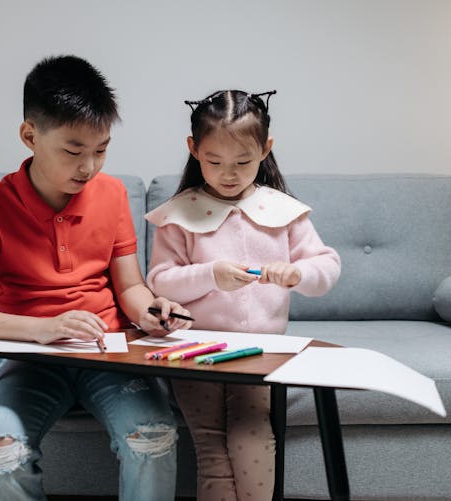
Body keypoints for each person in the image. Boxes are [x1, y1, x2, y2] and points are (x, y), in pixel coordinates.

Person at [0, 55, 191, 501]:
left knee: (153, 437)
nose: (89, 167)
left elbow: (130, 287)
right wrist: (44, 329)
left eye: (101, 150)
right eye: (73, 151)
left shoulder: (114, 194)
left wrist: (151, 311)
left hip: (108, 354)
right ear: (30, 136)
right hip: (30, 357)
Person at [145, 89, 341, 500]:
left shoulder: (283, 211)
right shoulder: (179, 214)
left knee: (252, 439)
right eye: (215, 162)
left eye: (243, 162)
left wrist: (296, 273)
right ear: (194, 150)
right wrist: (211, 275)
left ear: (266, 150)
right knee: (211, 446)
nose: (228, 174)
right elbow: (160, 281)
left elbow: (327, 269)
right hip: (193, 350)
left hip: (260, 351)